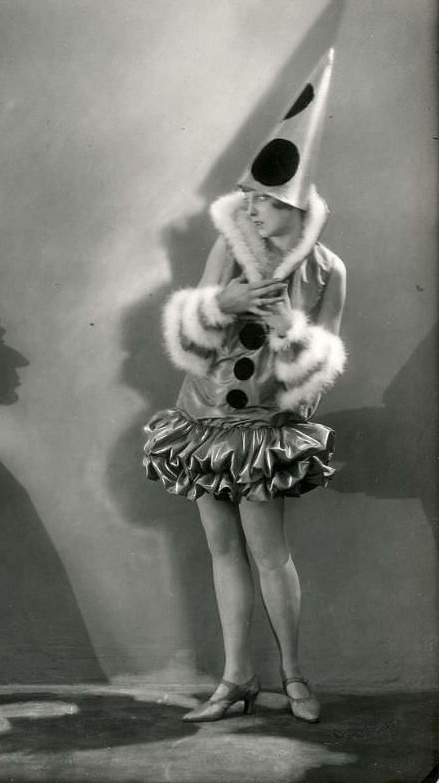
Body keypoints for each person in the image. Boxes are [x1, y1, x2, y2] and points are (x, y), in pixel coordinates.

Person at [144, 181, 346, 723]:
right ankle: (237, 679)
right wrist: (218, 304)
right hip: (205, 417)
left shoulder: (327, 269)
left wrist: (289, 331)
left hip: (261, 429)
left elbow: (322, 369)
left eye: (262, 200)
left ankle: (294, 676)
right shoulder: (229, 247)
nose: (249, 208)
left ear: (295, 207)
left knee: (269, 553)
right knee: (221, 547)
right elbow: (192, 341)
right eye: (247, 198)